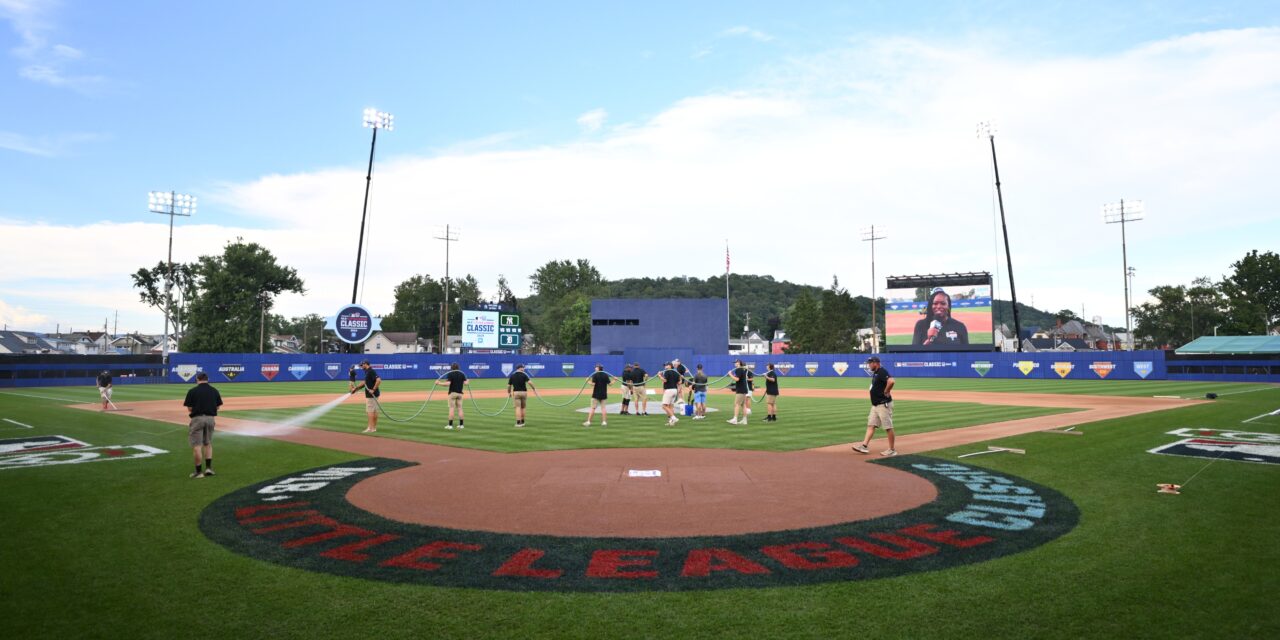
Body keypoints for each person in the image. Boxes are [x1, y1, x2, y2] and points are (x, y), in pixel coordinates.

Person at [853, 356, 896, 457]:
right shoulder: (876, 373)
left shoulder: (882, 372)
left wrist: (886, 390)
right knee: (871, 425)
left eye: (870, 363)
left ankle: (892, 449)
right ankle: (864, 446)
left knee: (888, 427)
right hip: (875, 405)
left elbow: (891, 381)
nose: (869, 365)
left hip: (883, 404)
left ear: (875, 363)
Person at [182, 371, 223, 478]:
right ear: (207, 379)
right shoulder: (214, 390)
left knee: (197, 446)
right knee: (208, 443)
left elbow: (189, 408)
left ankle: (199, 472)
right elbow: (218, 407)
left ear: (197, 379)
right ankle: (209, 468)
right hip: (210, 419)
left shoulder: (192, 391)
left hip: (197, 419)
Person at [350, 360, 382, 433]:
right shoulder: (367, 371)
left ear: (365, 364)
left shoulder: (371, 371)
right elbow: (365, 382)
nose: (361, 367)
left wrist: (373, 389)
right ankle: (373, 428)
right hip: (373, 394)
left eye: (362, 365)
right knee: (374, 411)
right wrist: (356, 389)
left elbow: (379, 380)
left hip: (371, 395)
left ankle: (370, 428)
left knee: (370, 411)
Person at [435, 362, 468, 429]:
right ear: (458, 367)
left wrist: (438, 383)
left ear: (451, 368)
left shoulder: (450, 373)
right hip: (460, 394)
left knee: (451, 408)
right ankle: (461, 425)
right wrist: (468, 381)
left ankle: (450, 425)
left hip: (452, 393)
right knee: (460, 408)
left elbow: (448, 384)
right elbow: (466, 383)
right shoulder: (461, 373)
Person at [507, 363, 535, 428]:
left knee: (518, 408)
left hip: (516, 393)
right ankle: (522, 421)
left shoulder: (512, 376)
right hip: (524, 393)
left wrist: (509, 392)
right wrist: (534, 388)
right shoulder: (524, 375)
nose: (524, 368)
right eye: (523, 367)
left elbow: (509, 386)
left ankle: (518, 422)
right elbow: (530, 382)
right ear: (520, 368)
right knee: (523, 407)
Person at [727, 359, 752, 425]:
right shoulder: (742, 369)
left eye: (735, 362)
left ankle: (735, 419)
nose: (734, 363)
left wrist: (730, 374)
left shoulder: (738, 369)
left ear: (738, 363)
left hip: (740, 390)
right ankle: (744, 420)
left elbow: (737, 379)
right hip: (743, 389)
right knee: (743, 405)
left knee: (737, 404)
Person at [658, 362, 682, 426]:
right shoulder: (676, 372)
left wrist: (659, 376)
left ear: (670, 366)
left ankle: (674, 418)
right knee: (670, 406)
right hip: (675, 390)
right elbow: (679, 382)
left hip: (669, 390)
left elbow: (665, 380)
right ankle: (671, 422)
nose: (665, 367)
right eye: (665, 365)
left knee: (664, 406)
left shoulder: (667, 372)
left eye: (666, 365)